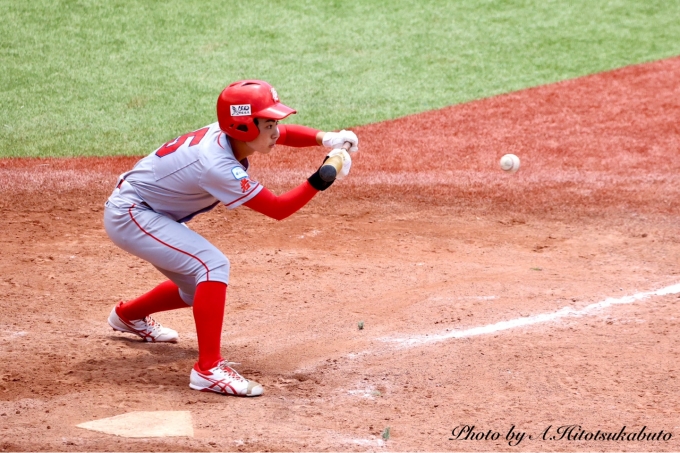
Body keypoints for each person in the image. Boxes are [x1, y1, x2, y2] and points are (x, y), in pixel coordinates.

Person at [103, 80, 358, 397]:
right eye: (268, 124)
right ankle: (208, 370)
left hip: (148, 208)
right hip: (132, 213)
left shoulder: (229, 134)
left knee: (197, 288)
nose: (275, 131)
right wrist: (322, 177)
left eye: (274, 122)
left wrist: (325, 138)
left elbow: (284, 135)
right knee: (211, 266)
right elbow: (277, 208)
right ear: (243, 126)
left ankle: (128, 316)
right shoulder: (216, 165)